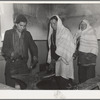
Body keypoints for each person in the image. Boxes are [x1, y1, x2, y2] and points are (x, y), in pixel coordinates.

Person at [2, 14, 38, 89]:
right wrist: (11, 54)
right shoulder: (8, 33)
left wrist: (35, 56)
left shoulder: (27, 34)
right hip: (11, 64)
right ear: (16, 24)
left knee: (25, 87)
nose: (23, 28)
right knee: (10, 88)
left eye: (24, 26)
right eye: (21, 25)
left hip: (23, 65)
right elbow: (4, 49)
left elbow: (33, 46)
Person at [47, 15, 76, 89]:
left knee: (64, 78)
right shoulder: (53, 34)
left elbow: (63, 48)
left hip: (65, 59)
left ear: (59, 23)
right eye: (51, 24)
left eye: (54, 23)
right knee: (59, 78)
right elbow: (52, 47)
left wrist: (53, 60)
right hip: (58, 59)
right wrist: (53, 59)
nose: (53, 26)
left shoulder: (65, 32)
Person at [75, 19, 98, 83]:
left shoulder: (91, 33)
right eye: (81, 25)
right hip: (81, 60)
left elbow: (94, 46)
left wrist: (89, 56)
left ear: (87, 25)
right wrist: (76, 53)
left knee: (90, 80)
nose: (82, 26)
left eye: (84, 25)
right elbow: (78, 46)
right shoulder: (79, 34)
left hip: (89, 60)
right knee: (82, 78)